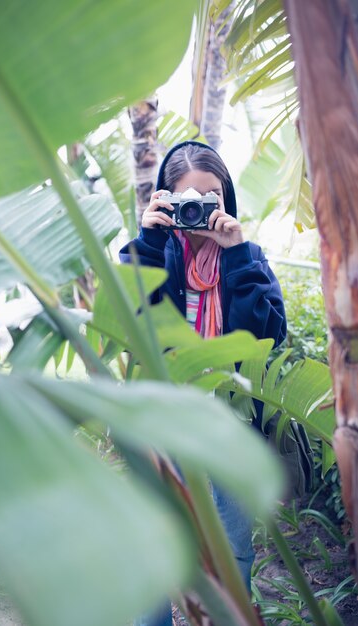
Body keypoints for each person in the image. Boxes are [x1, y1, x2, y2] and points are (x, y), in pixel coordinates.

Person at [119, 140, 286, 626]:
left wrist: (236, 257)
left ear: (226, 199)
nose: (200, 211)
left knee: (234, 548)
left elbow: (264, 337)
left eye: (211, 198)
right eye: (188, 199)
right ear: (165, 201)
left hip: (228, 427)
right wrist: (149, 245)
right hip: (160, 426)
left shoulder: (247, 257)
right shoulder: (148, 253)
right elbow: (130, 326)